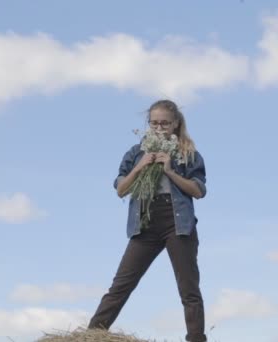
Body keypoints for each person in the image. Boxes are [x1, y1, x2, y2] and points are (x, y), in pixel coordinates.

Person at [87, 99, 208, 342]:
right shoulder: (135, 153)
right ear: (148, 124)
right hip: (145, 224)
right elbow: (121, 189)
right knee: (120, 286)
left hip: (178, 225)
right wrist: (140, 166)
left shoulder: (188, 153)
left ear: (175, 124)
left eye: (164, 123)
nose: (159, 128)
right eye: (154, 123)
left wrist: (170, 171)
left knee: (189, 290)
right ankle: (89, 336)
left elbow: (198, 191)